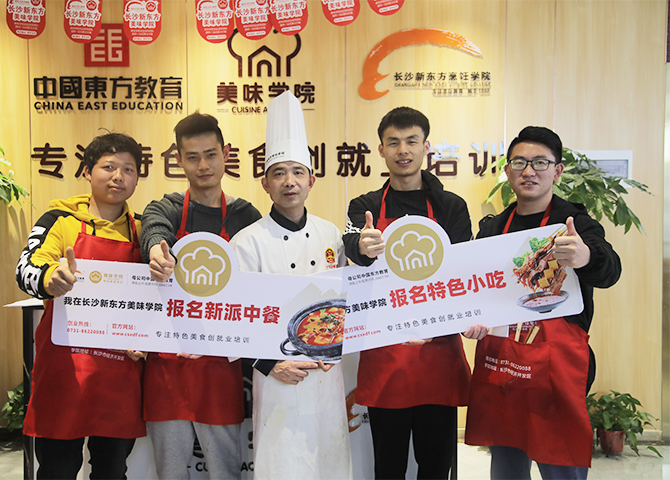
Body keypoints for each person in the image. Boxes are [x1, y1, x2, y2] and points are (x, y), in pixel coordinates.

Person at [464, 126, 622, 479]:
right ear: (507, 171)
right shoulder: (493, 228)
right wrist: (471, 320)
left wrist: (585, 257)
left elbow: (610, 270)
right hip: (503, 363)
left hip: (556, 366)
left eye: (540, 162)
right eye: (519, 162)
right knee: (506, 463)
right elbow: (476, 292)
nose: (529, 171)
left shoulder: (575, 224)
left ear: (557, 170)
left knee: (560, 463)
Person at [342, 106, 487, 480]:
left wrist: (468, 318)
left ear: (426, 147)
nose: (403, 150)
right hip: (386, 353)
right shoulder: (365, 206)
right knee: (388, 466)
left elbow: (462, 270)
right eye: (393, 142)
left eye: (411, 141)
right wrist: (363, 246)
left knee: (436, 466)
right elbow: (353, 247)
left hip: (437, 352)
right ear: (381, 150)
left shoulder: (450, 206)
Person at [230, 90, 352, 480]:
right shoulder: (247, 242)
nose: (289, 182)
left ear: (311, 180)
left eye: (298, 172)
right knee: (282, 464)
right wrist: (270, 364)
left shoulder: (331, 234)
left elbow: (342, 300)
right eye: (279, 173)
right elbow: (236, 317)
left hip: (327, 374)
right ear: (265, 183)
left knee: (330, 462)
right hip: (277, 378)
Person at [15, 132, 145, 479]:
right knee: (57, 469)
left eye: (128, 169)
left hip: (119, 372)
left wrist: (148, 338)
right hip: (65, 370)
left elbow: (160, 297)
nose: (118, 177)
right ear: (87, 171)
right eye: (108, 167)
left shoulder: (143, 230)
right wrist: (50, 278)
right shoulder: (59, 220)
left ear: (137, 178)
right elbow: (26, 268)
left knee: (112, 471)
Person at [139, 112, 262, 480]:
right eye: (192, 157)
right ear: (179, 160)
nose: (203, 165)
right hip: (168, 361)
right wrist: (156, 251)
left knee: (225, 471)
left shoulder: (246, 216)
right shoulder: (166, 208)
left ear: (226, 154)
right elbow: (154, 229)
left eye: (210, 154)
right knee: (170, 472)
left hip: (220, 365)